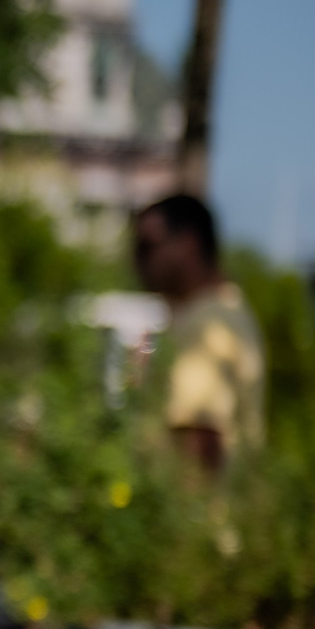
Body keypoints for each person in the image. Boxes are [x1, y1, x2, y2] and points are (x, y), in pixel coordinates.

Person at [131, 193, 266, 474]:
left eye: (147, 246)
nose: (138, 260)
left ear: (187, 245)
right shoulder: (221, 311)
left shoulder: (209, 327)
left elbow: (199, 445)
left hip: (187, 516)